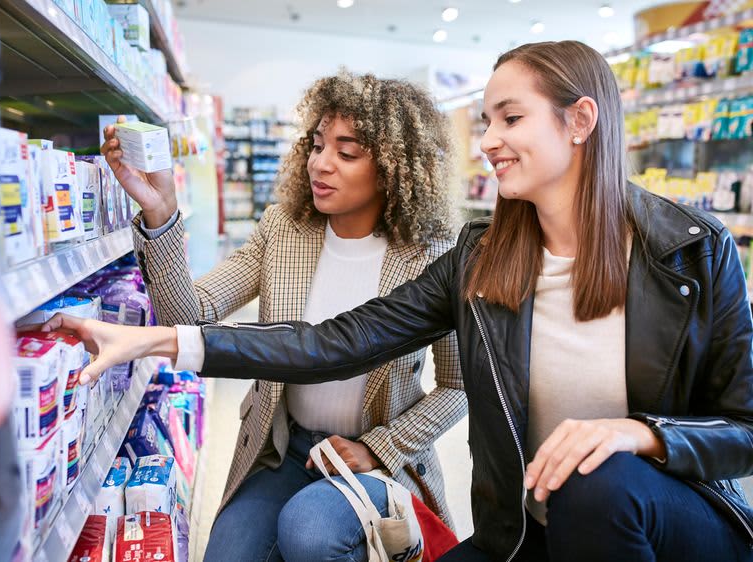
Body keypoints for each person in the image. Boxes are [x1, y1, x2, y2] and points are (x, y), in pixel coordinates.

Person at [44, 41, 753, 562]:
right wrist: (160, 326)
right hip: (504, 520)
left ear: (580, 120)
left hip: (647, 510)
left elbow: (744, 425)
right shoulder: (483, 259)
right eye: (486, 121)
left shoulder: (690, 253)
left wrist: (641, 434)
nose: (487, 142)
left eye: (509, 119)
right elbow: (332, 341)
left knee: (600, 482)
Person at [100, 72, 466, 561]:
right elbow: (189, 316)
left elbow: (458, 386)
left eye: (346, 153)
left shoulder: (431, 255)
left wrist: (378, 447)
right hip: (285, 447)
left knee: (311, 533)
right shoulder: (284, 229)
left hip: (377, 461)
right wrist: (160, 212)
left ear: (393, 168)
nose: (321, 163)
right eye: (316, 145)